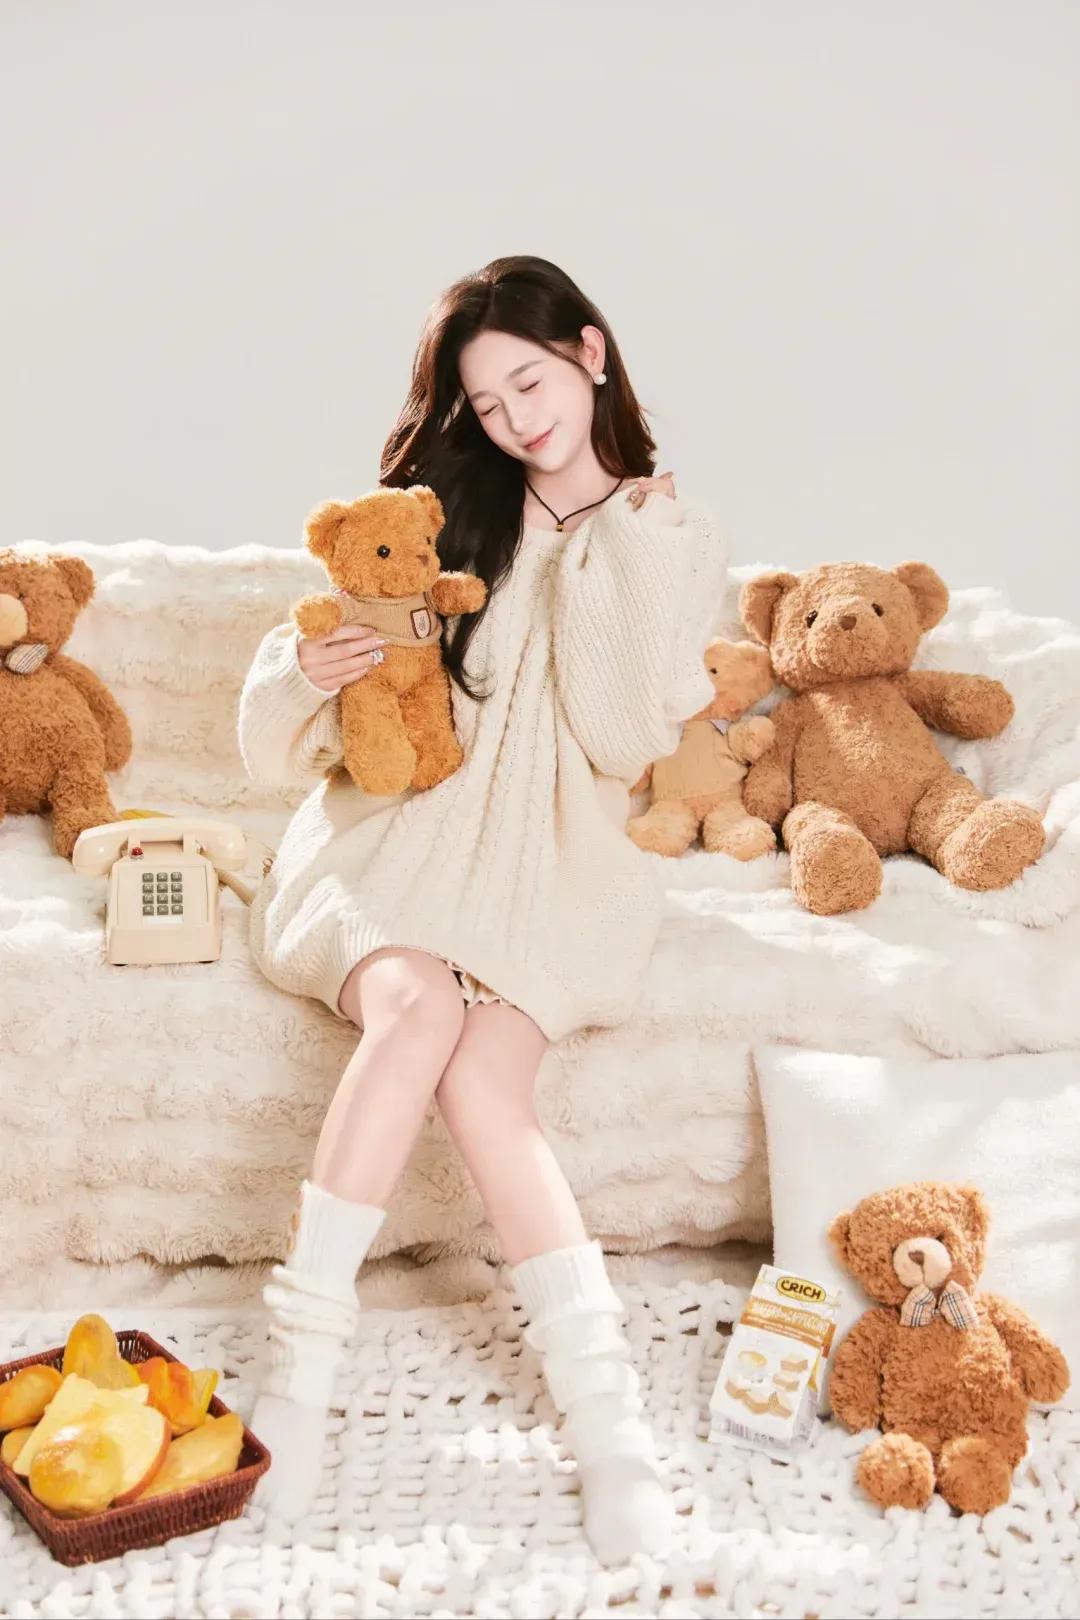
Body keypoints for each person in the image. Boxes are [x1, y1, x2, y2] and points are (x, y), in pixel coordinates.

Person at [237, 255, 728, 1563]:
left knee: (484, 1086)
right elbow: (278, 737)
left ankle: (610, 1434)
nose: (516, 420)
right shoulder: (447, 502)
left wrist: (619, 543)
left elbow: (621, 732)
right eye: (490, 402)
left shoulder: (669, 533)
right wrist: (310, 669)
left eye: (532, 382)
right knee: (415, 1014)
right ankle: (299, 1382)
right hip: (396, 843)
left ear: (591, 354)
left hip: (552, 866)